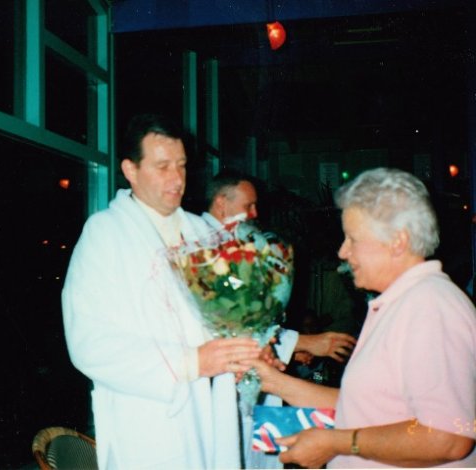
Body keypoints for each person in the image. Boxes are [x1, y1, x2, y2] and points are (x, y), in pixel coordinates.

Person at [62, 114, 263, 469]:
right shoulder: (105, 235)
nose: (177, 178)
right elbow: (89, 343)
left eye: (181, 165)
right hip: (149, 417)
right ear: (130, 170)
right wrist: (191, 362)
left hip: (211, 404)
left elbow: (229, 312)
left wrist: (247, 349)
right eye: (163, 166)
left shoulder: (203, 232)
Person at [244, 167, 476, 468]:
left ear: (398, 241)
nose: (343, 252)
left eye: (353, 239)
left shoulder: (430, 306)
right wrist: (272, 381)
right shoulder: (402, 303)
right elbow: (363, 408)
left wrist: (337, 443)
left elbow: (448, 437)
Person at [203, 170, 357, 468]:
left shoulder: (240, 244)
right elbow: (223, 324)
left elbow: (251, 322)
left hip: (256, 380)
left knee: (262, 450)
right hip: (225, 382)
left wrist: (281, 347)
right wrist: (305, 343)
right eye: (248, 206)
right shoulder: (204, 249)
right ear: (221, 203)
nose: (255, 214)